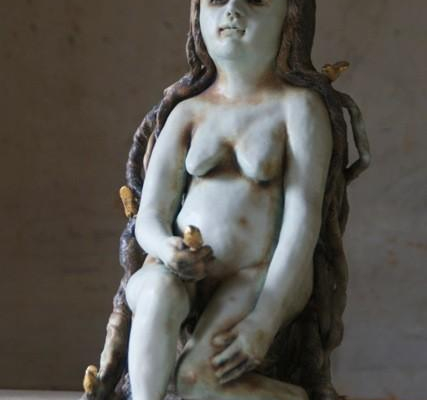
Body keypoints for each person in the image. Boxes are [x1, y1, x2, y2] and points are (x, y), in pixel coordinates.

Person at [83, 1, 370, 399]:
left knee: (197, 380)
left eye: (255, 0)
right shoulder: (187, 113)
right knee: (157, 291)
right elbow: (150, 214)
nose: (232, 9)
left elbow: (302, 222)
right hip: (180, 267)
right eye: (217, 0)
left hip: (259, 276)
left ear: (290, 19)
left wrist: (265, 317)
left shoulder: (298, 108)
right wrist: (167, 249)